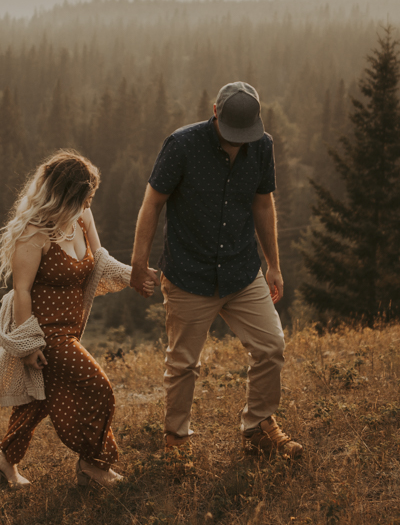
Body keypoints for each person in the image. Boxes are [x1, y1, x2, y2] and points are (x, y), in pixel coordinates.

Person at [130, 81, 303, 458]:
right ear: (214, 112)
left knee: (271, 346)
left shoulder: (263, 146)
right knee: (183, 364)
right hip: (189, 272)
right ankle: (175, 440)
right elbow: (151, 203)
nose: (238, 141)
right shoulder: (181, 146)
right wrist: (138, 262)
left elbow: (262, 205)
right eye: (232, 134)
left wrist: (273, 265)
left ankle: (259, 425)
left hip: (242, 270)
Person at [0, 149, 125, 488]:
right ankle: (94, 465)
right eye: (85, 196)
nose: (90, 203)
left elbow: (100, 262)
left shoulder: (82, 218)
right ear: (67, 195)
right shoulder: (34, 233)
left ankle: (5, 462)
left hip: (71, 328)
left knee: (37, 402)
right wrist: (30, 345)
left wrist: (136, 275)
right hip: (48, 333)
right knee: (99, 389)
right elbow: (21, 291)